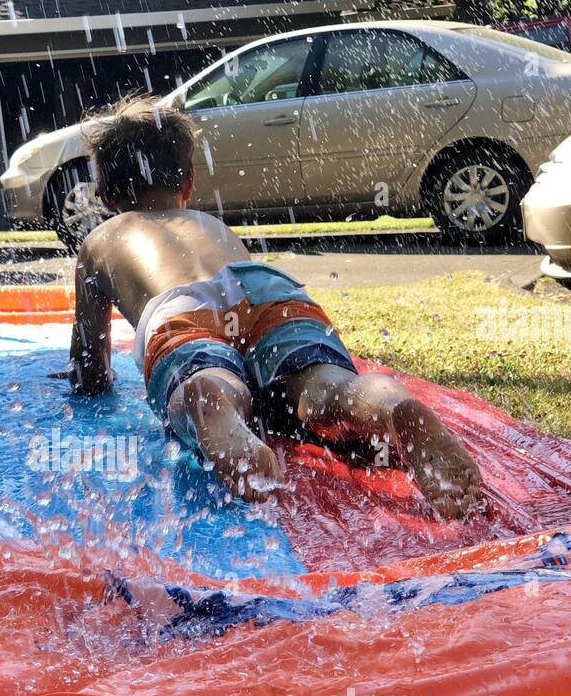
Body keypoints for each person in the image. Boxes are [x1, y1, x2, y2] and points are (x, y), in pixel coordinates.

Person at [55, 95, 482, 519]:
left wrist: (86, 378)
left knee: (212, 376)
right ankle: (386, 404)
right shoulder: (208, 224)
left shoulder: (101, 242)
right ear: (187, 183)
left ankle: (211, 396)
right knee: (323, 388)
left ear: (106, 195)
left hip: (179, 310)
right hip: (267, 291)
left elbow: (89, 366)